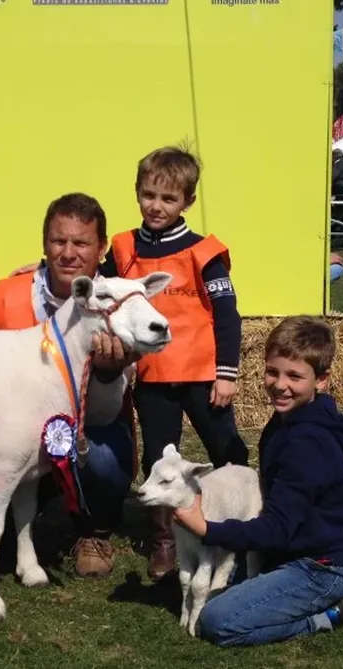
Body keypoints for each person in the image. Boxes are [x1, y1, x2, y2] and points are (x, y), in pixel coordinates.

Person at [0, 193, 138, 578]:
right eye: (58, 241)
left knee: (102, 460)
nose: (68, 253)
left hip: (88, 435)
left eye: (81, 243)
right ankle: (8, 510)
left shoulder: (121, 304)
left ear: (101, 248)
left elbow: (104, 413)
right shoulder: (5, 295)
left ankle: (92, 528)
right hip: (8, 439)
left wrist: (105, 371)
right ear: (44, 244)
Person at [100, 146, 249, 581]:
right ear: (137, 193)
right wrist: (43, 269)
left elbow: (226, 314)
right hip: (153, 379)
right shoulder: (124, 247)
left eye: (168, 198)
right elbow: (100, 282)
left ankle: (238, 523)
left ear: (187, 201)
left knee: (229, 450)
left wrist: (227, 374)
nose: (156, 206)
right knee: (157, 460)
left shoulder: (205, 252)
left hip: (204, 378)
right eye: (148, 195)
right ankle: (164, 540)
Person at [173, 316, 343, 647]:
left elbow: (277, 526)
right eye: (272, 372)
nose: (279, 384)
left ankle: (324, 616)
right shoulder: (286, 421)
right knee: (224, 589)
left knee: (216, 620)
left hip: (319, 568)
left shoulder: (308, 444)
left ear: (323, 380)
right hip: (286, 552)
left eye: (295, 376)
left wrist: (208, 530)